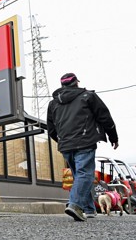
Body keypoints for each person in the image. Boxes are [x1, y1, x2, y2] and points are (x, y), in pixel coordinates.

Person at [47, 73, 119, 221]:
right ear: (76, 83)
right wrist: (113, 137)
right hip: (85, 141)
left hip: (66, 145)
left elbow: (51, 129)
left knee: (79, 176)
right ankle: (74, 205)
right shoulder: (88, 96)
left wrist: (63, 141)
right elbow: (105, 117)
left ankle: (89, 209)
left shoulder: (53, 104)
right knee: (85, 175)